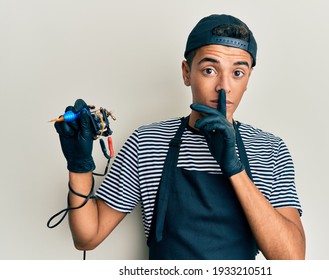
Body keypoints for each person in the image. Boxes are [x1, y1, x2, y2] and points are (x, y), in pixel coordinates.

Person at [54, 14, 306, 260]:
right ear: (187, 72)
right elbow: (87, 238)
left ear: (248, 78)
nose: (224, 86)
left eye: (237, 73)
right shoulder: (147, 142)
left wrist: (234, 169)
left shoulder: (270, 149)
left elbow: (292, 260)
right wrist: (79, 166)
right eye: (209, 70)